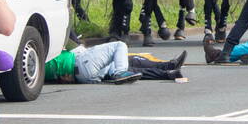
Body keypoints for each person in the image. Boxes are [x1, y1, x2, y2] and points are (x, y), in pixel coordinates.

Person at [44, 37, 187, 83]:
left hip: (84, 75)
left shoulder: (37, 72)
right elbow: (67, 36)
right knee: (119, 46)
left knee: (130, 63)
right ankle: (120, 73)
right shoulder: (44, 52)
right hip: (81, 62)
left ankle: (169, 70)